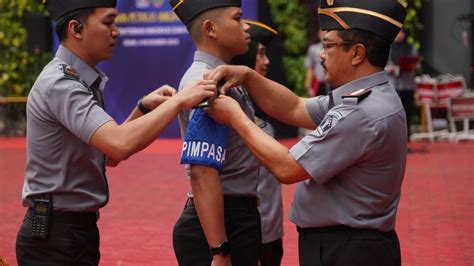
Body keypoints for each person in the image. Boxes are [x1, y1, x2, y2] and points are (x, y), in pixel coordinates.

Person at [205, 0, 408, 265]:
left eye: (329, 45)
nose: (322, 55)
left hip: (348, 249)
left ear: (357, 54)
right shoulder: (366, 96)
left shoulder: (361, 112)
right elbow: (294, 107)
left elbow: (287, 168)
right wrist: (248, 76)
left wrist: (236, 117)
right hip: (348, 243)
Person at [15, 1, 216, 265]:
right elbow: (119, 144)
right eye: (108, 23)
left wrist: (143, 107)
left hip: (69, 230)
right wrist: (180, 101)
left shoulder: (80, 81)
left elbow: (108, 154)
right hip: (56, 235)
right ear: (77, 29)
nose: (116, 32)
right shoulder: (62, 84)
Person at [169, 1, 261, 266]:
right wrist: (219, 250)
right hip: (222, 221)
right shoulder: (207, 82)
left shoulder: (222, 76)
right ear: (210, 28)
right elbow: (202, 170)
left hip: (232, 215)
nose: (246, 28)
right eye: (238, 19)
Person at [231, 20, 283, 266]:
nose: (266, 62)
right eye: (260, 54)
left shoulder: (260, 104)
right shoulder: (229, 109)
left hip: (271, 231)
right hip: (249, 231)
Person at [386, 29, 419, 142]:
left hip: (407, 84)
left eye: (401, 32)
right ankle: (393, 137)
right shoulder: (389, 48)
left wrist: (412, 66)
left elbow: (417, 65)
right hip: (393, 85)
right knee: (392, 112)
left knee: (407, 110)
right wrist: (393, 69)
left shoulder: (411, 48)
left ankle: (407, 136)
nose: (398, 35)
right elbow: (382, 66)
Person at [305, 29, 328, 97]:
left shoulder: (336, 48)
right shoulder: (313, 49)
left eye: (326, 32)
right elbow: (310, 68)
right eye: (322, 32)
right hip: (318, 85)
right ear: (319, 34)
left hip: (332, 84)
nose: (324, 34)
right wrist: (308, 86)